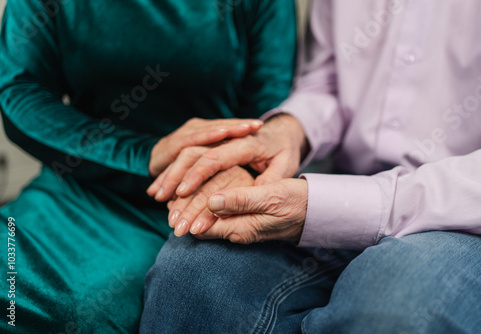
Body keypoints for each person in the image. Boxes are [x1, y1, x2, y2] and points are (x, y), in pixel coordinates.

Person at [141, 0, 481, 333]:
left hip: (474, 221)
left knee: (392, 304)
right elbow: (326, 80)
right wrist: (288, 132)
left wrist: (323, 205)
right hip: (346, 185)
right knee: (192, 272)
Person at [0, 0, 296, 332]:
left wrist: (226, 169)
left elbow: (270, 116)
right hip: (78, 179)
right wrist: (143, 154)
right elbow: (20, 92)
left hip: (197, 198)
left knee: (86, 311)